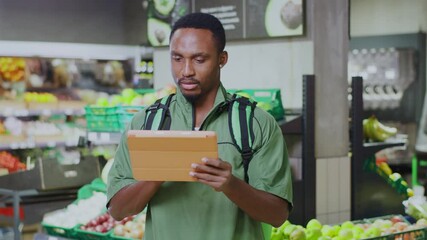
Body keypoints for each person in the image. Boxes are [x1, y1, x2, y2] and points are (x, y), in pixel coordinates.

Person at [107, 12, 293, 240]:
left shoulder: (255, 123)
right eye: (177, 58)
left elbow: (277, 215)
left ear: (222, 59)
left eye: (199, 59)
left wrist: (231, 184)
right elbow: (117, 210)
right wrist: (157, 174)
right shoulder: (146, 123)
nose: (186, 71)